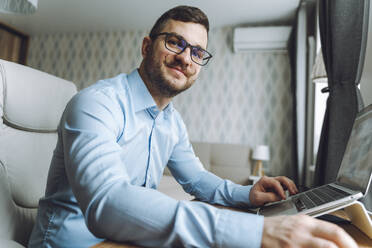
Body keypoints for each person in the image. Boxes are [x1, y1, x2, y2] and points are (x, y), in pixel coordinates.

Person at [29, 5, 358, 248]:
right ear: (147, 47)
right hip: (72, 242)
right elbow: (108, 203)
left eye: (198, 52)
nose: (186, 58)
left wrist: (247, 194)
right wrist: (258, 233)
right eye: (175, 42)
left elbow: (196, 178)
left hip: (126, 237)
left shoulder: (172, 122)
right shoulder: (96, 103)